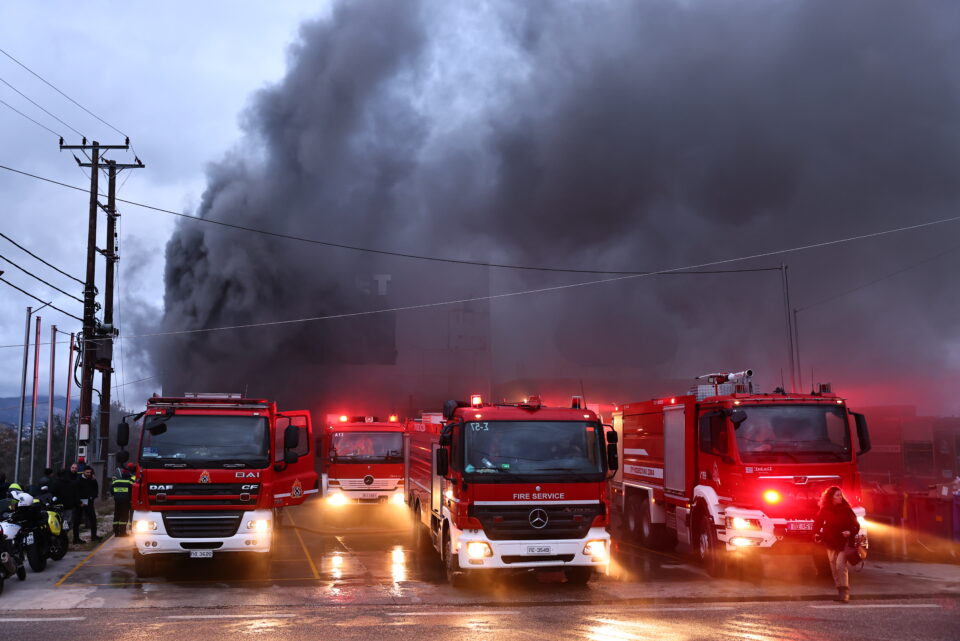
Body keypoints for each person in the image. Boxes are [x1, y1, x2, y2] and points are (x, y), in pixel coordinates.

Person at [812, 486, 860, 603]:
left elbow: (856, 525)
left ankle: (845, 593)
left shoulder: (847, 509)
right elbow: (817, 524)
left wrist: (850, 532)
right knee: (833, 566)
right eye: (837, 495)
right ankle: (840, 591)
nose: (840, 497)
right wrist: (817, 534)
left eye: (840, 495)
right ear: (831, 498)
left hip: (845, 542)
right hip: (831, 541)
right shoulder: (825, 509)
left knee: (840, 565)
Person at [52, 468, 82, 544]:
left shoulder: (55, 483)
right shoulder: (72, 483)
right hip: (69, 506)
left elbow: (52, 494)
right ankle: (64, 536)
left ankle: (59, 537)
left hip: (58, 507)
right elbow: (76, 494)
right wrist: (78, 503)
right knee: (68, 522)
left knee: (58, 522)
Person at [77, 467, 101, 541]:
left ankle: (94, 536)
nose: (89, 474)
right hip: (80, 502)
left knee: (93, 519)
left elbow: (96, 489)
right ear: (84, 472)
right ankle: (76, 538)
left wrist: (92, 497)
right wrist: (79, 501)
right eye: (87, 472)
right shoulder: (79, 480)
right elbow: (76, 491)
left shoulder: (92, 479)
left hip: (89, 501)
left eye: (90, 473)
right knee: (77, 520)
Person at [110, 467, 133, 536]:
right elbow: (132, 491)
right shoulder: (130, 481)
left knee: (117, 515)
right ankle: (123, 533)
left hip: (117, 501)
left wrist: (116, 496)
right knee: (124, 516)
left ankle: (116, 532)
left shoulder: (116, 481)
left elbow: (111, 490)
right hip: (126, 501)